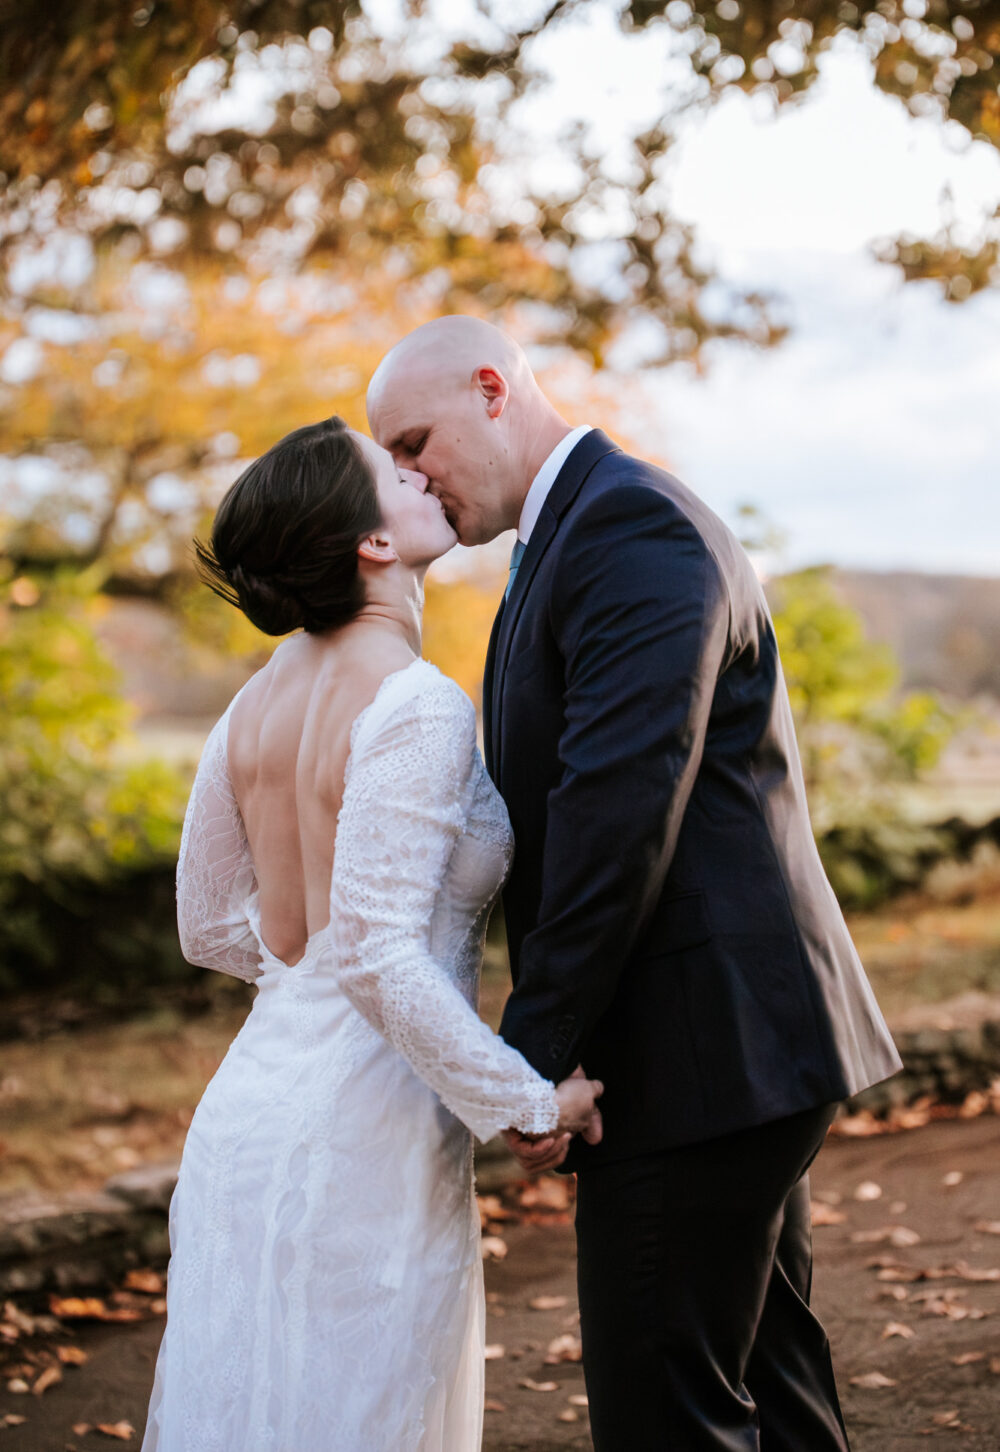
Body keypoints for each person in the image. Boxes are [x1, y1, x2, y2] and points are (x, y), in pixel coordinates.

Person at [367, 316, 903, 1452]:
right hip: (718, 1047)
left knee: (665, 1413)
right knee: (768, 1379)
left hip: (701, 1051)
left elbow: (617, 816)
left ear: (492, 389)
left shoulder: (629, 528)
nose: (408, 476)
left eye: (417, 441)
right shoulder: (566, 538)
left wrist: (532, 1055)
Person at [140, 415, 603, 1452]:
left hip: (248, 1118)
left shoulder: (249, 707)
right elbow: (379, 952)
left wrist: (301, 991)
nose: (418, 469)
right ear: (374, 546)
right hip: (362, 1140)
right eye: (392, 471)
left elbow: (209, 925)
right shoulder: (415, 705)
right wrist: (526, 1100)